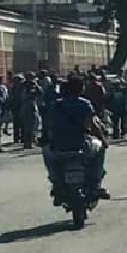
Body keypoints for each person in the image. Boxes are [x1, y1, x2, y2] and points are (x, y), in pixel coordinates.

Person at [45, 76, 109, 205]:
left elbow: (50, 125)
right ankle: (95, 184)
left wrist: (47, 139)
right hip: (81, 143)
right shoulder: (84, 104)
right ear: (80, 89)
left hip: (60, 145)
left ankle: (57, 183)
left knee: (47, 153)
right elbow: (92, 125)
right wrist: (103, 139)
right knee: (100, 149)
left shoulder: (56, 105)